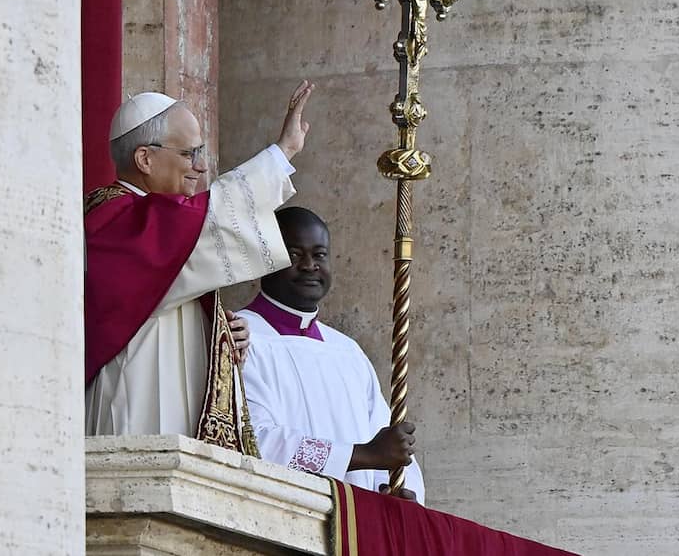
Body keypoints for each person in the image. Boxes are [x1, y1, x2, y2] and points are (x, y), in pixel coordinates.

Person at [85, 81, 314, 439]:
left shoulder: (156, 221)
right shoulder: (114, 220)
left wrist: (220, 330)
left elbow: (179, 276)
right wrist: (282, 153)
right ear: (145, 158)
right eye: (190, 153)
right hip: (139, 397)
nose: (201, 167)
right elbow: (211, 217)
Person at [240, 207, 425, 503]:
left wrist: (395, 489)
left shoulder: (347, 351)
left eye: (320, 254)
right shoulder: (240, 336)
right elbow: (253, 441)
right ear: (266, 259)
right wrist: (362, 455)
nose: (309, 265)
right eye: (295, 254)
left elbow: (385, 438)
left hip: (356, 522)